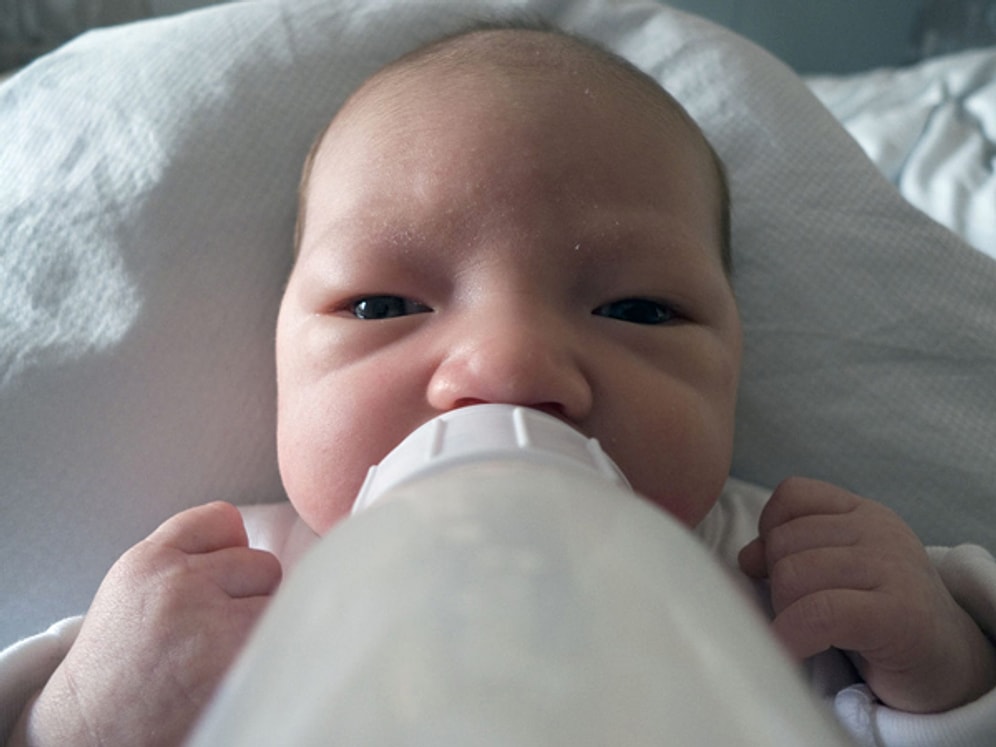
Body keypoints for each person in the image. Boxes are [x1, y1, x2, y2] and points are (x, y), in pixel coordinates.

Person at [8, 22, 996, 746]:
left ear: (735, 364)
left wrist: (945, 673)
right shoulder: (219, 591)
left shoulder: (788, 582)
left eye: (639, 310)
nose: (512, 369)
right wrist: (83, 718)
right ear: (277, 356)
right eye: (382, 305)